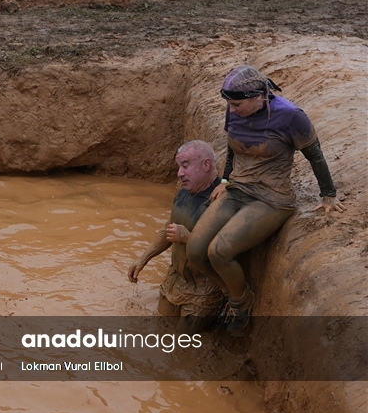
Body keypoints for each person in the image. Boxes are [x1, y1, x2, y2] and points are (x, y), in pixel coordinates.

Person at [187, 65, 345, 334]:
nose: (232, 110)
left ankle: (241, 302)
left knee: (218, 252)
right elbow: (232, 144)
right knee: (194, 251)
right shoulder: (234, 108)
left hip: (272, 199)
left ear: (258, 96)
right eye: (230, 105)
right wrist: (225, 180)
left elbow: (315, 154)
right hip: (238, 190)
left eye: (237, 104)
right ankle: (231, 291)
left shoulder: (291, 116)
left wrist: (328, 194)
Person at [128, 140, 225, 332]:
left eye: (185, 166)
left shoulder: (221, 201)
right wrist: (143, 259)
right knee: (160, 330)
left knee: (180, 346)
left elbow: (224, 250)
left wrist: (189, 238)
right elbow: (168, 229)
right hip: (174, 280)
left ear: (206, 164)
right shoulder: (183, 193)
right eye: (179, 166)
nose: (179, 173)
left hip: (204, 289)